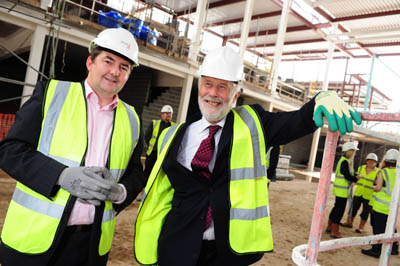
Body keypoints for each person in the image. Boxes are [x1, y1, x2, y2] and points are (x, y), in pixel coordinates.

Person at [134, 46, 362, 266]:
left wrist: (321, 99)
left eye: (223, 87)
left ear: (236, 94)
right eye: (208, 84)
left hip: (227, 252)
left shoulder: (254, 124)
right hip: (176, 246)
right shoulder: (173, 135)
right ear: (200, 85)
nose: (213, 93)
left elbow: (294, 122)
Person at [0, 28, 145, 266]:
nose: (114, 72)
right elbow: (10, 150)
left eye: (124, 67)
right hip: (33, 240)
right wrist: (60, 175)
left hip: (89, 246)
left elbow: (135, 174)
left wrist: (121, 192)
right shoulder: (51, 94)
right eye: (108, 61)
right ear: (90, 61)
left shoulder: (132, 119)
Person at [362, 149, 399, 258]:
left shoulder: (383, 172)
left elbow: (378, 188)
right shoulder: (399, 172)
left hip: (381, 206)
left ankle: (376, 250)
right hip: (393, 206)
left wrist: (373, 187)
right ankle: (394, 248)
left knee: (378, 228)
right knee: (391, 227)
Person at [326, 142, 359, 238]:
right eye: (354, 151)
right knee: (339, 210)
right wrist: (356, 179)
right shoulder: (345, 161)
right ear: (350, 152)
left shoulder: (344, 161)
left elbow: (347, 173)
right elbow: (347, 175)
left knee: (336, 208)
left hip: (339, 190)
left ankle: (330, 226)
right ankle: (334, 231)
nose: (355, 153)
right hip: (342, 191)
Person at [341, 153, 379, 233]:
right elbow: (356, 178)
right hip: (358, 192)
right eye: (369, 161)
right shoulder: (360, 168)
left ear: (376, 162)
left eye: (373, 161)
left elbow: (378, 184)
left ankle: (360, 227)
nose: (371, 163)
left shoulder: (378, 172)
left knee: (365, 212)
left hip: (369, 195)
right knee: (353, 208)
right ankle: (349, 222)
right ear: (366, 161)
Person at [144, 104, 175, 179]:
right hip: (152, 153)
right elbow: (147, 136)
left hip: (163, 155)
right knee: (147, 172)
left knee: (158, 174)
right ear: (162, 114)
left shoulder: (174, 126)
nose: (169, 115)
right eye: (167, 113)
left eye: (170, 113)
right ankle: (142, 188)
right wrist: (153, 146)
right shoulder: (154, 123)